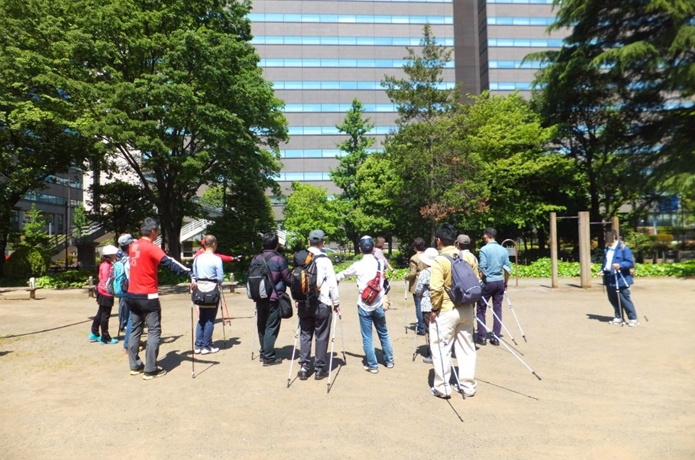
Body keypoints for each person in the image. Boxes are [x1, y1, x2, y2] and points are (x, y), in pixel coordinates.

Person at [127, 217, 194, 380]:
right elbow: (169, 262)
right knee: (154, 331)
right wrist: (189, 272)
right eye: (157, 231)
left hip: (132, 295)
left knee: (135, 329)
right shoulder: (150, 247)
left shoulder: (133, 246)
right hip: (148, 296)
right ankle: (150, 368)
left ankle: (135, 365)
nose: (157, 234)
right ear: (152, 231)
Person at [429, 224, 478, 399]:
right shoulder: (468, 257)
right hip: (466, 308)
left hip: (446, 310)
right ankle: (468, 385)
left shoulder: (439, 260)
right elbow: (476, 280)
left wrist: (434, 308)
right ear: (455, 241)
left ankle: (442, 387)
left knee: (441, 347)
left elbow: (435, 288)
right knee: (466, 347)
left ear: (439, 241)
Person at [336, 235, 394, 374]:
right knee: (383, 333)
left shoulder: (358, 265)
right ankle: (389, 360)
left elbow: (343, 274)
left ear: (360, 249)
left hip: (364, 304)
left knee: (367, 336)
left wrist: (335, 278)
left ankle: (373, 365)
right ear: (373, 248)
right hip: (379, 303)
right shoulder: (380, 263)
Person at [297, 230, 340, 381]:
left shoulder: (301, 257)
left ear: (309, 241)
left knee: (305, 334)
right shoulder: (325, 260)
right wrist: (336, 303)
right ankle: (319, 369)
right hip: (322, 302)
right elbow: (333, 284)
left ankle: (303, 367)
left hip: (303, 303)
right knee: (321, 335)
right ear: (323, 243)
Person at [251, 231, 292, 366]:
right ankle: (269, 357)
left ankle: (263, 352)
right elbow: (288, 279)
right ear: (276, 244)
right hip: (273, 297)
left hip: (258, 296)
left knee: (261, 326)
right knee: (271, 326)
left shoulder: (256, 258)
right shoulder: (279, 259)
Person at [476, 227, 511, 347]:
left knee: (481, 308)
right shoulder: (503, 250)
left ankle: (482, 336)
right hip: (500, 281)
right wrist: (505, 283)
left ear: (486, 236)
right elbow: (507, 269)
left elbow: (482, 268)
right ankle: (496, 337)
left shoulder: (484, 250)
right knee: (498, 309)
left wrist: (481, 277)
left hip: (488, 282)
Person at [192, 235, 224, 354]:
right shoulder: (216, 259)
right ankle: (207, 346)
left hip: (200, 290)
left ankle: (198, 346)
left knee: (201, 319)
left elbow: (194, 275)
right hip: (212, 290)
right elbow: (220, 277)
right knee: (210, 319)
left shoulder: (197, 258)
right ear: (214, 244)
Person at [602, 230, 639, 326]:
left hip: (621, 278)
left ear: (614, 237)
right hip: (609, 277)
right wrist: (603, 270)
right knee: (613, 299)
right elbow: (605, 263)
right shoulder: (606, 249)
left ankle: (633, 319)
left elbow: (630, 263)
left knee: (624, 299)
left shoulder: (623, 248)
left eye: (607, 237)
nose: (605, 239)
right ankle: (618, 317)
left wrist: (620, 265)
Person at [90, 245, 119, 345]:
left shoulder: (104, 264)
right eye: (114, 253)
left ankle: (94, 332)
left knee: (100, 313)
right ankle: (105, 337)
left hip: (101, 290)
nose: (116, 255)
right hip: (106, 292)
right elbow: (108, 281)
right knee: (105, 315)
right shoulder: (108, 266)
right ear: (110, 254)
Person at [415, 247, 438, 364]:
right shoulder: (441, 271)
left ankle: (432, 354)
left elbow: (418, 290)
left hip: (427, 304)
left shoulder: (425, 273)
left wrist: (420, 295)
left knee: (430, 330)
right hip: (440, 303)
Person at [404, 237, 427, 335]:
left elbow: (413, 273)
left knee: (418, 306)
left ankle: (421, 328)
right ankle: (427, 326)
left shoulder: (414, 258)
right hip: (427, 282)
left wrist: (406, 276)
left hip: (417, 283)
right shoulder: (428, 256)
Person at [117, 233, 134, 354]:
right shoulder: (130, 260)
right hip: (134, 291)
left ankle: (129, 343)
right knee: (133, 319)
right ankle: (127, 344)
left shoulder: (120, 257)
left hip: (125, 290)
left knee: (131, 318)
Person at [373, 236, 394, 309]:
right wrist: (392, 270)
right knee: (386, 287)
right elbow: (385, 262)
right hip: (380, 273)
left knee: (384, 287)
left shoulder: (375, 250)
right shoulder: (378, 251)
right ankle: (383, 301)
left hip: (377, 273)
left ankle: (383, 301)